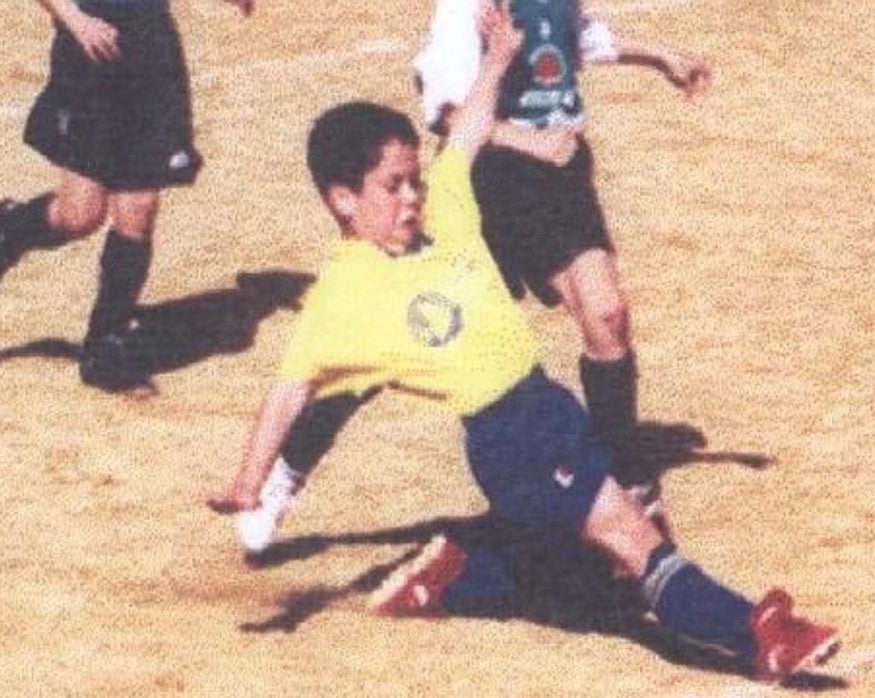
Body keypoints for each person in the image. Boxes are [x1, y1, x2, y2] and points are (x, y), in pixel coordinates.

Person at [207, 10, 837, 683]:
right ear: (341, 199)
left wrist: (502, 56)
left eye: (413, 179)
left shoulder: (446, 207)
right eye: (391, 187)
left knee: (577, 571)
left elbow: (473, 124)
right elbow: (289, 392)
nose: (412, 197)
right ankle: (756, 634)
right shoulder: (341, 300)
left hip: (550, 409)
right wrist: (250, 482)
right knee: (632, 543)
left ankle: (454, 576)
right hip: (510, 441)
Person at [412, 0, 712, 521]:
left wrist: (659, 56)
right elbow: (445, 110)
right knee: (431, 335)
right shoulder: (468, 7)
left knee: (607, 314)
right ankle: (288, 467)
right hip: (485, 185)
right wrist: (527, 139)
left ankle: (625, 474)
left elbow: (579, 36)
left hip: (557, 179)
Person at [0, 0, 255, 394]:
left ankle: (105, 347)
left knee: (140, 206)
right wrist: (75, 20)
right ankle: (10, 229)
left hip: (151, 58)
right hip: (91, 55)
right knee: (81, 215)